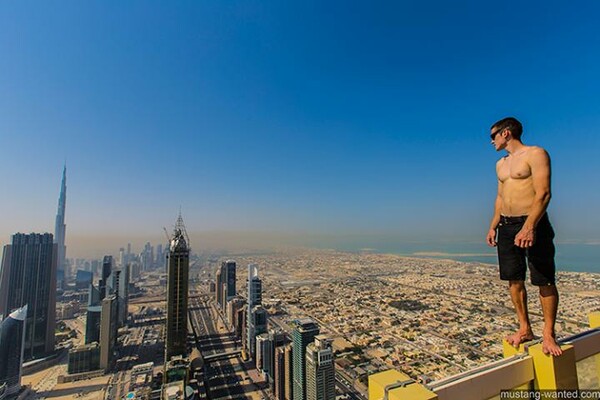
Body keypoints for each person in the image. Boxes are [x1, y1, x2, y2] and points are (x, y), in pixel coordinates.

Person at [486, 117, 562, 356]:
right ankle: (525, 328)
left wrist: (529, 226)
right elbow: (500, 197)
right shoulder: (500, 164)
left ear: (506, 133)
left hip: (532, 222)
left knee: (544, 279)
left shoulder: (536, 154)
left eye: (493, 136)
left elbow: (544, 193)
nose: (491, 141)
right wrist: (493, 226)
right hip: (506, 226)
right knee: (513, 280)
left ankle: (548, 333)